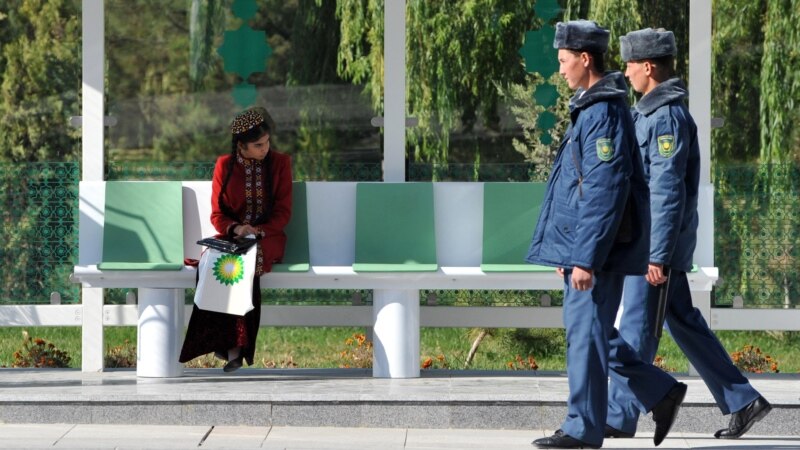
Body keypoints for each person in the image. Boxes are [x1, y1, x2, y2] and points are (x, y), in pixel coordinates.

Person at [526, 20, 687, 449]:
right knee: (592, 332)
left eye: (563, 61)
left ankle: (582, 428)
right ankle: (658, 391)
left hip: (597, 253)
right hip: (586, 248)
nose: (559, 70)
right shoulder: (593, 107)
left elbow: (604, 192)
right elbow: (578, 188)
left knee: (586, 334)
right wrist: (571, 249)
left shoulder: (602, 113)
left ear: (584, 58)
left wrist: (585, 259)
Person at [605, 27, 771, 440]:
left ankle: (619, 417)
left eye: (629, 65)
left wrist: (657, 255)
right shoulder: (652, 111)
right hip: (653, 245)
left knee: (637, 329)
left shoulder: (666, 117)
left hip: (654, 249)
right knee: (683, 322)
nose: (625, 73)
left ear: (648, 67)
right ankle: (742, 400)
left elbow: (666, 191)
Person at [179, 107, 293, 373]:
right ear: (241, 146)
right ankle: (226, 344)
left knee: (248, 262)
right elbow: (217, 214)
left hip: (268, 237)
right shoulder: (224, 166)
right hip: (234, 237)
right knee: (212, 261)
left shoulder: (280, 163)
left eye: (267, 142)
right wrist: (236, 229)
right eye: (257, 145)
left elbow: (284, 212)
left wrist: (257, 231)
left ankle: (237, 346)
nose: (265, 148)